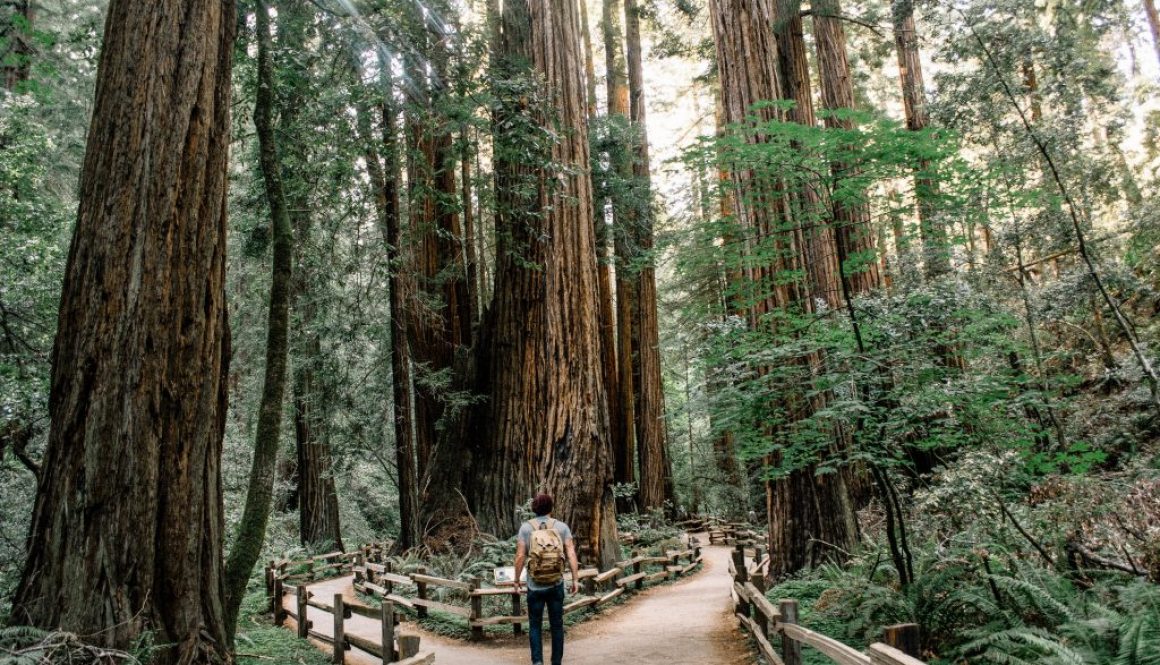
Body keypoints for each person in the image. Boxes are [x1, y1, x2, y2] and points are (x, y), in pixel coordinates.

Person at [514, 492, 579, 665]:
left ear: (534, 508)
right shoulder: (562, 527)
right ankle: (556, 662)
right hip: (556, 584)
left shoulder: (526, 528)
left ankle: (538, 662)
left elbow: (520, 556)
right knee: (556, 625)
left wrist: (516, 580)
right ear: (551, 507)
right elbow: (571, 553)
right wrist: (575, 579)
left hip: (534, 586)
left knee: (535, 625)